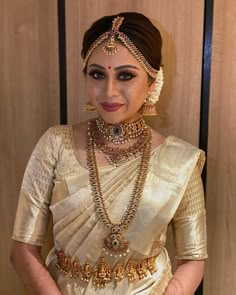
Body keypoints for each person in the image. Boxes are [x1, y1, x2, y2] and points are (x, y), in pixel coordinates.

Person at [10, 12, 207, 295]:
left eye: (125, 75)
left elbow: (193, 258)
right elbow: (22, 250)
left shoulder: (180, 161)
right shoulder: (55, 145)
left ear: (153, 81)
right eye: (97, 74)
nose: (109, 91)